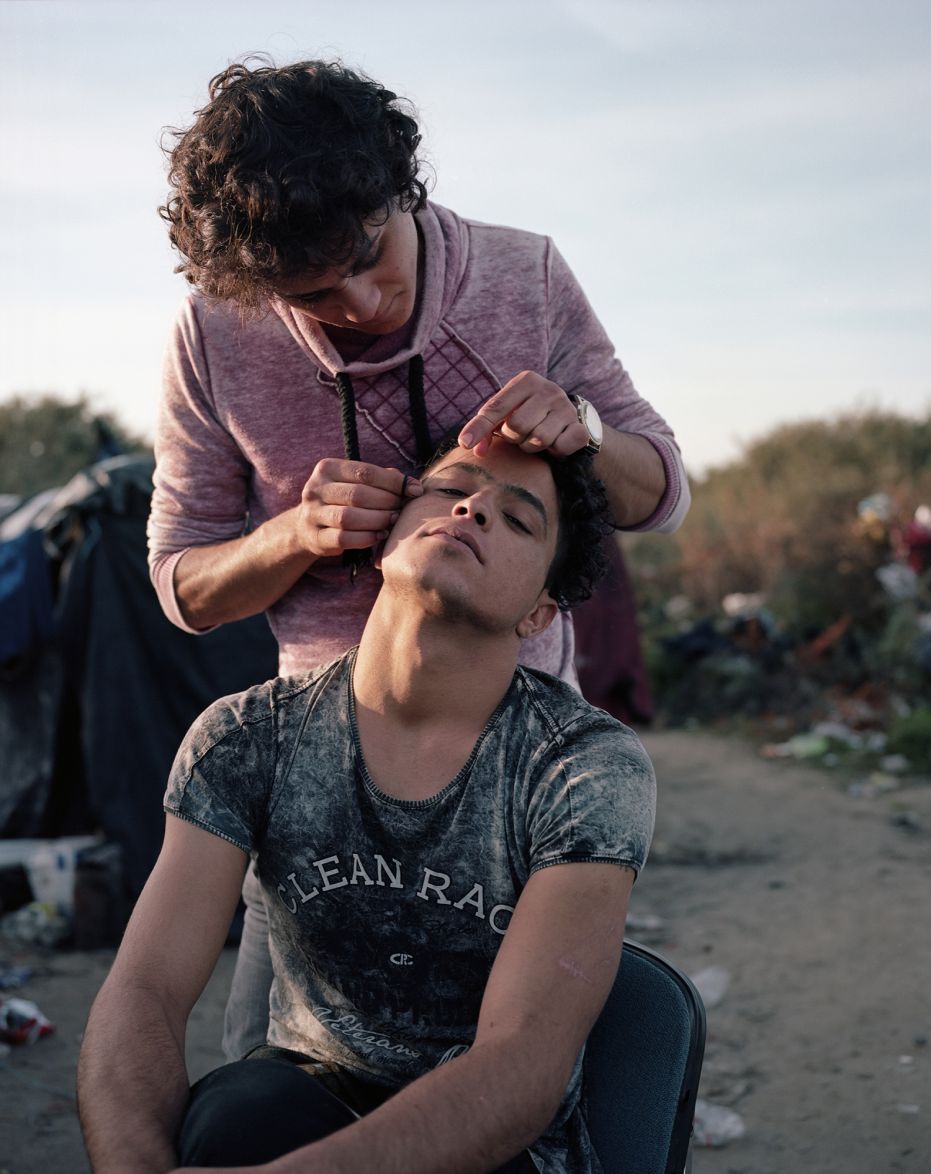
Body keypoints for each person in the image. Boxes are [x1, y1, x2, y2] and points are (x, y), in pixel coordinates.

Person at [145, 57, 688, 1061]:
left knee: (506, 1066)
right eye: (313, 295)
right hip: (314, 766)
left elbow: (659, 490)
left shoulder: (521, 275)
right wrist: (288, 537)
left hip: (511, 754)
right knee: (272, 1066)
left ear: (404, 188)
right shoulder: (213, 334)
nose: (360, 302)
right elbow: (180, 585)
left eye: (371, 256)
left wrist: (578, 425)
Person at [79, 438, 656, 1173]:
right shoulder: (247, 738)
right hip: (307, 1093)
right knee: (233, 1119)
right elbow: (145, 989)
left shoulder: (582, 765)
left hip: (493, 1141)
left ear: (540, 613)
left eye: (518, 521)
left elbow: (523, 1063)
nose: (472, 508)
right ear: (383, 535)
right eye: (451, 488)